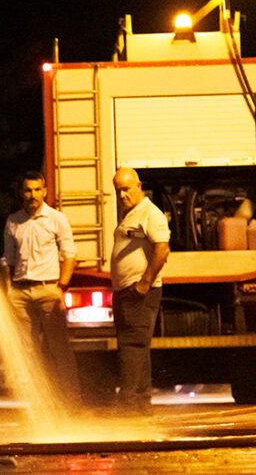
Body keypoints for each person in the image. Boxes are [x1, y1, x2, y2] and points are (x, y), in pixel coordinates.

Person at [2, 170, 81, 402]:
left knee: (59, 347)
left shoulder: (56, 219)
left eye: (37, 190)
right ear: (21, 192)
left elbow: (69, 255)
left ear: (45, 191)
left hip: (48, 289)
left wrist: (61, 287)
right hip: (20, 291)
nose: (33, 195)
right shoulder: (13, 221)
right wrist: (8, 289)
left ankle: (71, 397)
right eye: (28, 190)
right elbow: (8, 259)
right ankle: (35, 400)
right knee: (26, 349)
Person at [110, 168, 171, 415]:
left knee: (132, 346)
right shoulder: (132, 214)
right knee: (137, 347)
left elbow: (162, 250)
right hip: (126, 290)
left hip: (139, 292)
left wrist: (144, 283)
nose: (122, 195)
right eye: (118, 191)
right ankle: (140, 404)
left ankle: (128, 404)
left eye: (126, 189)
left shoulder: (150, 213)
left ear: (138, 186)